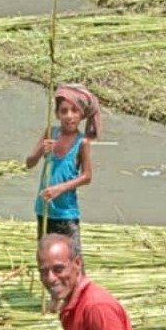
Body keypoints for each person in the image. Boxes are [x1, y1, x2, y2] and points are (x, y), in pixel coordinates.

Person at [25, 83, 100, 248]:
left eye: (74, 111)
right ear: (57, 114)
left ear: (82, 114)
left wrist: (59, 189)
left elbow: (87, 177)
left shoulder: (82, 142)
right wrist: (40, 151)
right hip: (44, 209)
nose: (69, 116)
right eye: (64, 111)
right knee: (46, 256)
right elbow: (29, 163)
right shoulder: (51, 133)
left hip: (66, 213)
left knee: (72, 259)